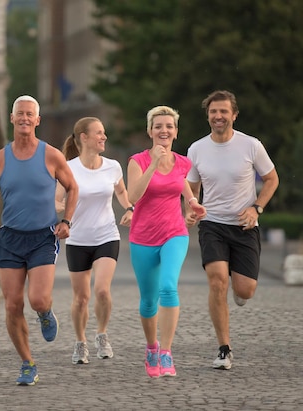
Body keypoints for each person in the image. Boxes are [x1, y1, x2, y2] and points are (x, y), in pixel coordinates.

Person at [0, 95, 78, 386]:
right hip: (10, 238)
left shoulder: (51, 155)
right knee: (11, 305)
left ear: (37, 120)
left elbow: (73, 188)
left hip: (42, 237)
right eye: (19, 114)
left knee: (38, 299)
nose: (24, 118)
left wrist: (66, 221)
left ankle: (45, 313)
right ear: (12, 118)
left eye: (29, 114)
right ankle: (27, 363)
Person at [186, 90, 279, 370]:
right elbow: (191, 185)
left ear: (234, 115)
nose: (218, 116)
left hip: (244, 225)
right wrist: (192, 207)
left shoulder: (251, 146)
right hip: (212, 224)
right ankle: (224, 349)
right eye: (214, 112)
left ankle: (241, 291)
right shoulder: (197, 149)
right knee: (217, 282)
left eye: (224, 111)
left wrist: (257, 207)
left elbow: (272, 179)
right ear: (208, 115)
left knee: (245, 289)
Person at [127, 106, 207, 378]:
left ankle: (167, 352)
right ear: (150, 131)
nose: (164, 130)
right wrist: (152, 165)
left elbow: (182, 184)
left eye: (169, 126)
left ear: (176, 131)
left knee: (168, 287)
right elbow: (133, 198)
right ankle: (152, 348)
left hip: (174, 233)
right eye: (158, 126)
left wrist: (193, 204)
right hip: (142, 238)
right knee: (148, 301)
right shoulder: (137, 161)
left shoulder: (183, 162)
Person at [55, 117, 133, 365]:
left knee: (101, 290)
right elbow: (57, 199)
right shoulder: (68, 169)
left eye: (104, 133)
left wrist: (129, 207)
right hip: (78, 238)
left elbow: (120, 191)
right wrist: (63, 212)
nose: (104, 137)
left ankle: (101, 334)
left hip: (106, 235)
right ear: (84, 137)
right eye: (99, 133)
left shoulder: (112, 166)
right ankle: (80, 342)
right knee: (81, 298)